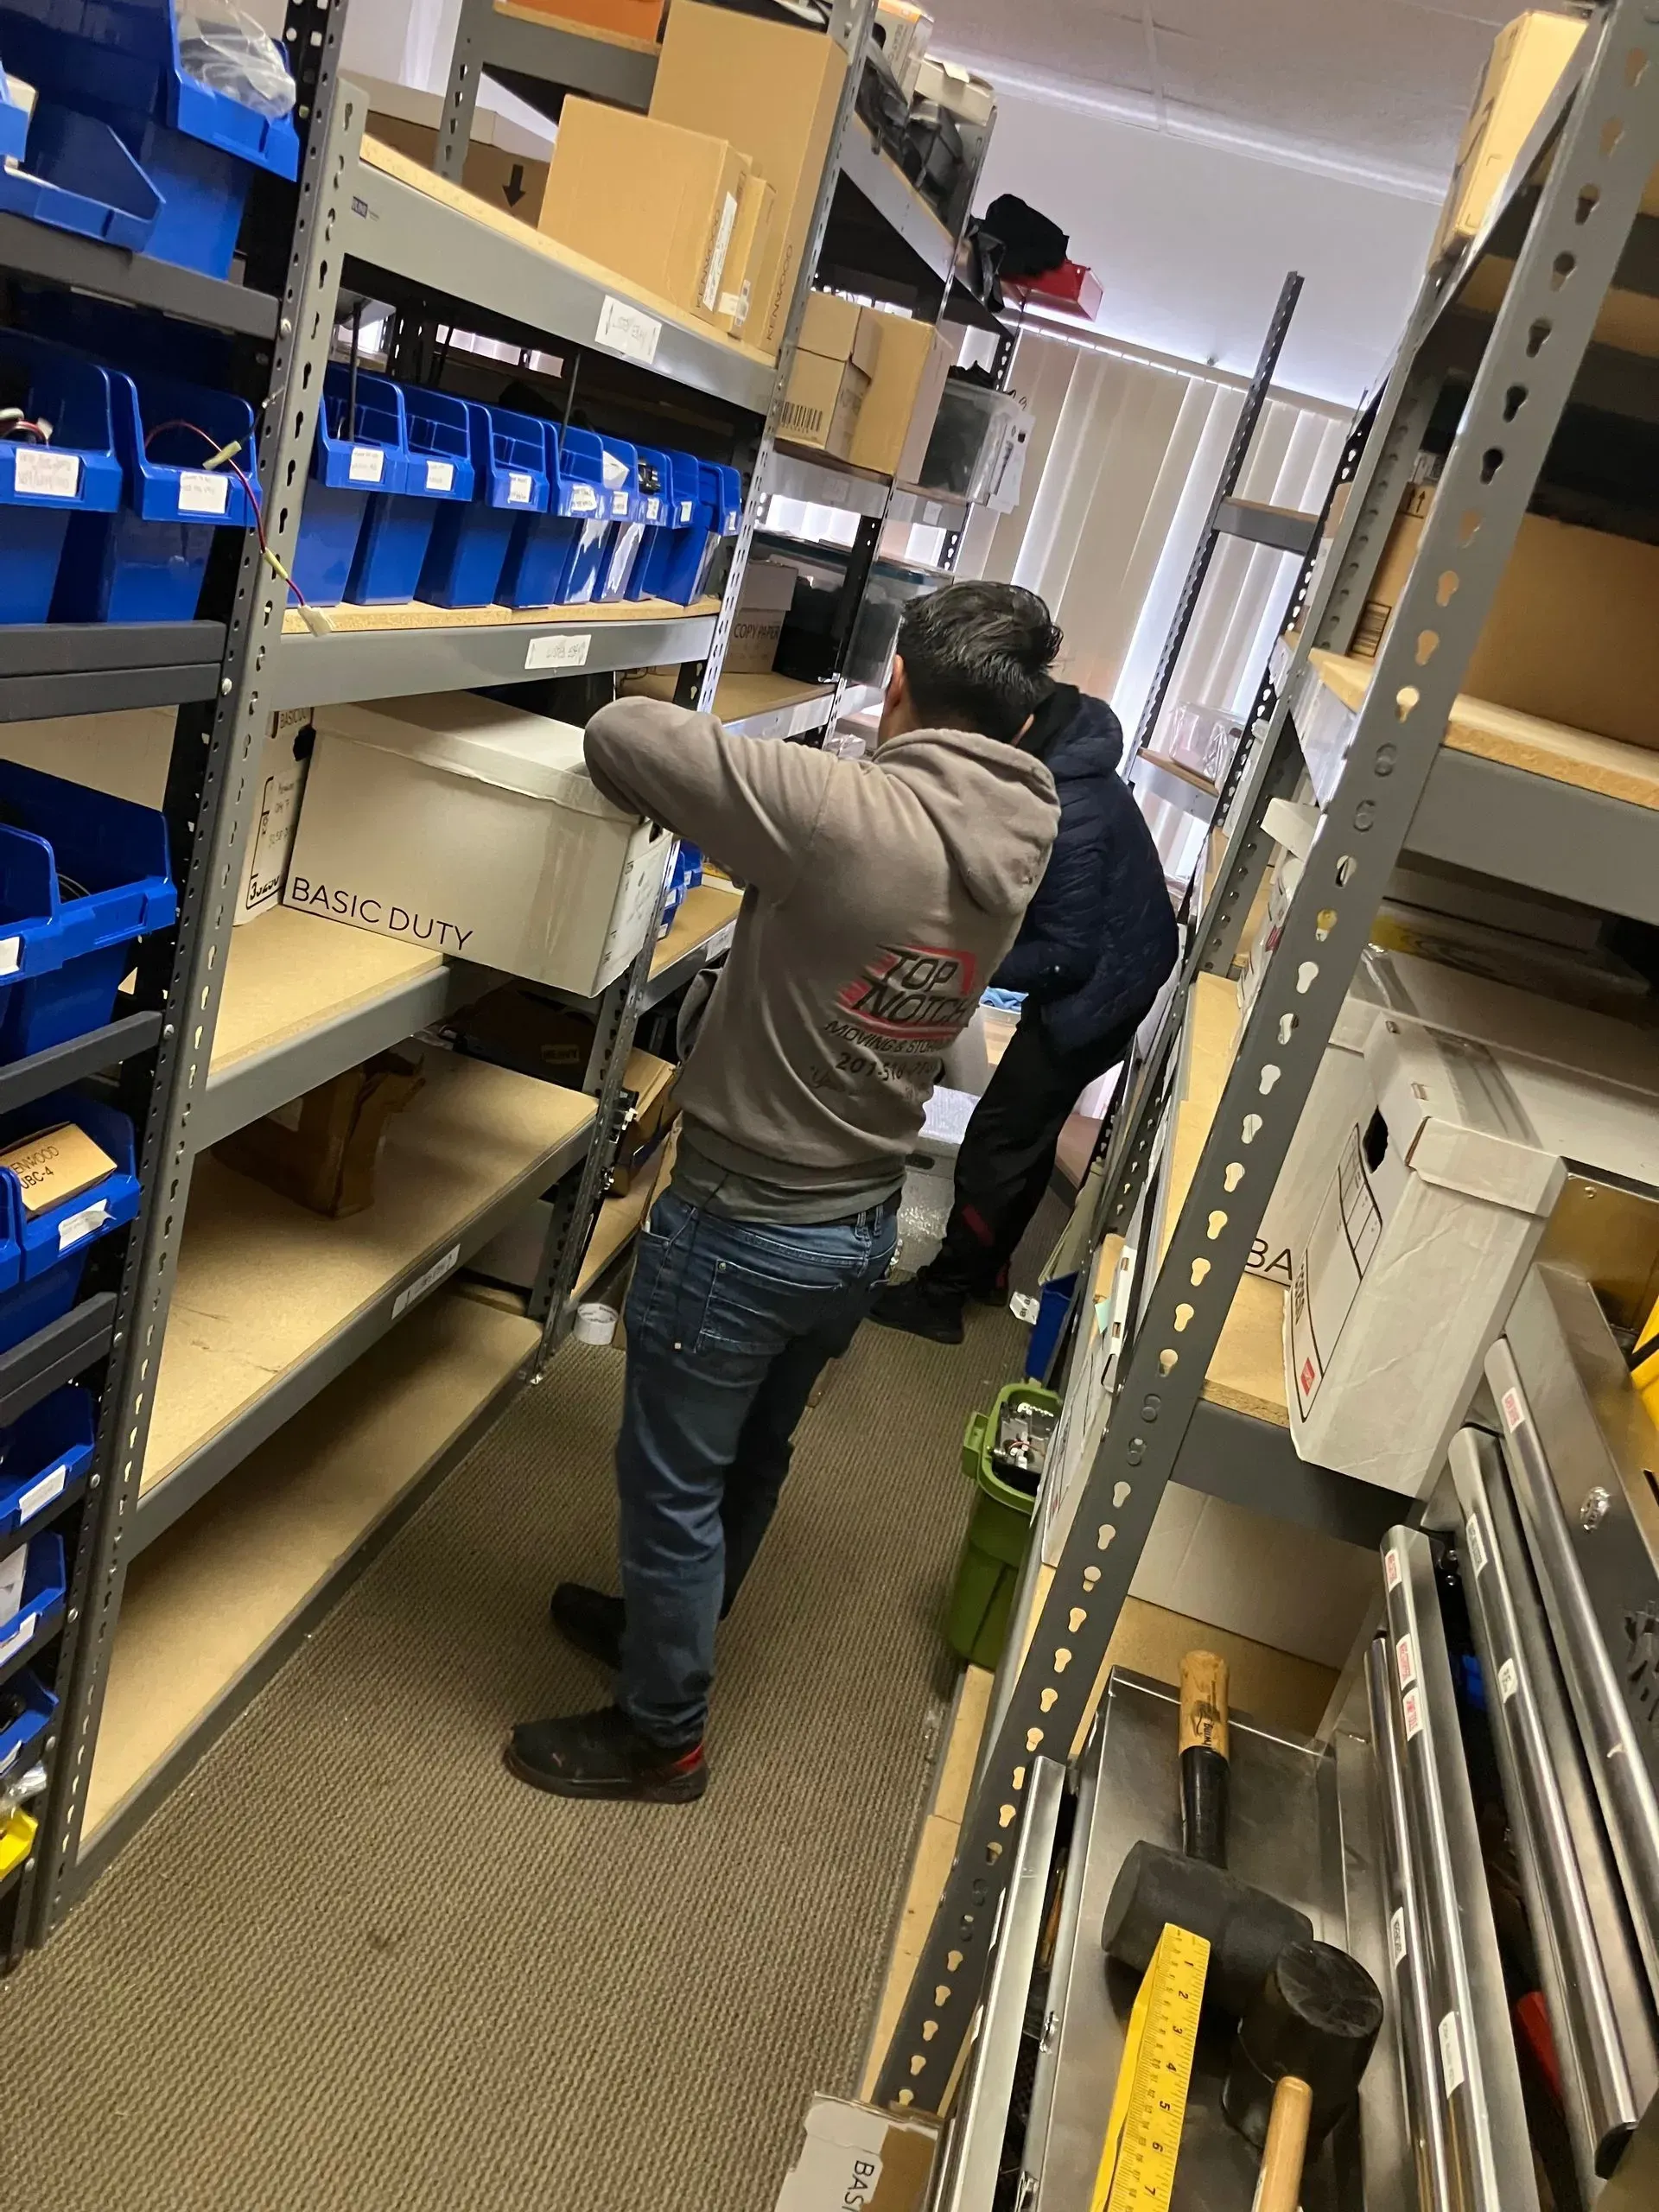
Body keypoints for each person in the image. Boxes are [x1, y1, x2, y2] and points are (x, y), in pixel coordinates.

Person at [506, 582, 1063, 1805]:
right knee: (753, 1456)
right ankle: (670, 1632)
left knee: (670, 1483)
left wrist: (832, 763)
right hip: (857, 1222)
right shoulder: (1023, 831)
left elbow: (621, 735)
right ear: (1022, 727)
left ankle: (662, 1734)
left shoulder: (837, 811)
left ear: (898, 681)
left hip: (744, 1225)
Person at [870, 671, 1179, 1344]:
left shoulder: (1066, 807)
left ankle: (942, 1298)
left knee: (996, 1143)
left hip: (1095, 996)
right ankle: (987, 1270)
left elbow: (1065, 956)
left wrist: (965, 960)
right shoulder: (1066, 766)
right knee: (1027, 1138)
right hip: (1120, 974)